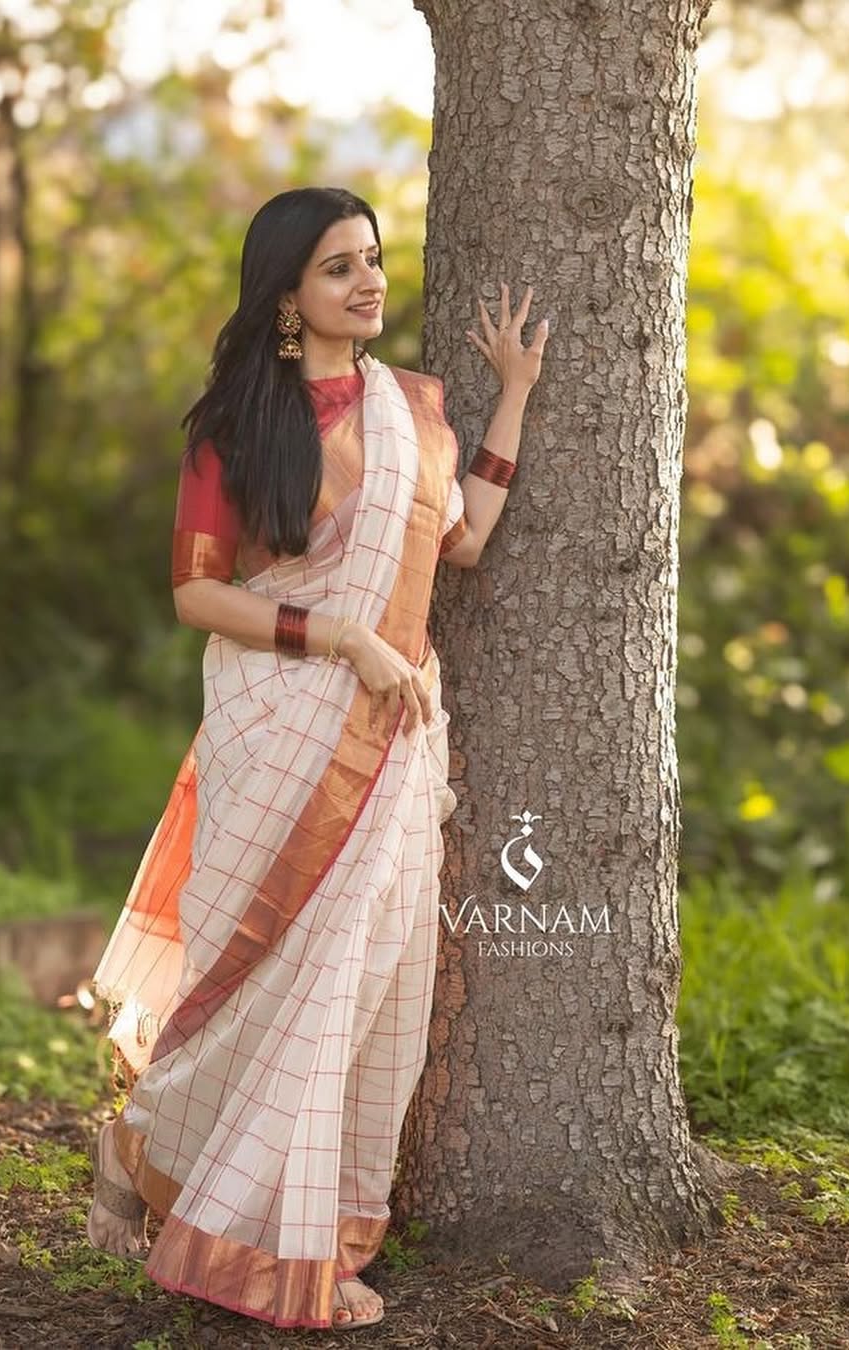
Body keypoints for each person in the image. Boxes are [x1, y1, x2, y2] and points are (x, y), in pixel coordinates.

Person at [85, 186, 548, 1332]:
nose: (370, 281)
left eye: (375, 260)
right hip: (278, 720)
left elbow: (469, 545)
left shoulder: (417, 416)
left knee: (361, 991)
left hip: (394, 739)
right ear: (287, 297)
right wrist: (337, 636)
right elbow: (198, 593)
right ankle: (143, 1151)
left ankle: (307, 1239)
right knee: (247, 985)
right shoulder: (237, 429)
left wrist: (516, 404)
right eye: (341, 267)